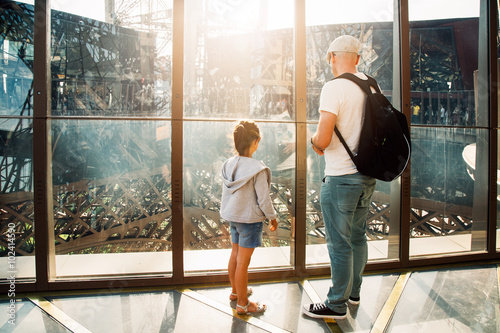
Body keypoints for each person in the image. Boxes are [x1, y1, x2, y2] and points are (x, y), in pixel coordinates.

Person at [303, 35, 377, 320]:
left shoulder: (333, 88)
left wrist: (314, 140)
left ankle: (336, 304)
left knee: (339, 243)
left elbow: (322, 137)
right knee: (358, 237)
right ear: (357, 59)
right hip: (366, 177)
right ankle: (354, 292)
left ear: (332, 57)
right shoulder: (371, 84)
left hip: (341, 177)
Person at [220, 120, 278, 315]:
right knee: (243, 263)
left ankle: (236, 292)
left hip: (233, 218)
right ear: (255, 141)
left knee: (235, 256)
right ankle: (243, 304)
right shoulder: (257, 169)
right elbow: (264, 199)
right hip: (250, 221)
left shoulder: (228, 164)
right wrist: (273, 217)